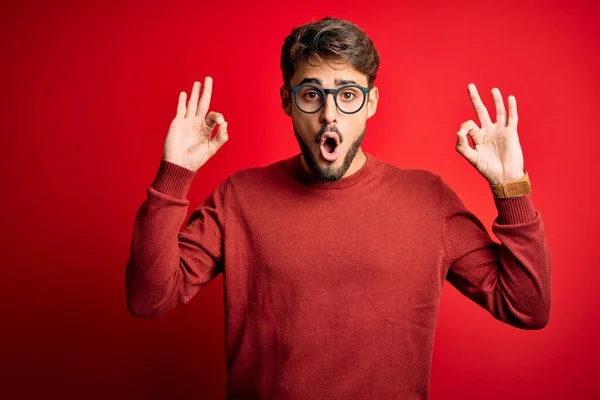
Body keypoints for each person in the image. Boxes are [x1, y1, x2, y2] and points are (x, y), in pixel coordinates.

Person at [125, 16, 551, 400]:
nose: (330, 115)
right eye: (312, 94)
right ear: (288, 102)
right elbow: (148, 298)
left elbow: (527, 306)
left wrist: (510, 186)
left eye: (347, 94)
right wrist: (173, 174)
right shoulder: (240, 197)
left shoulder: (428, 200)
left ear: (371, 103)